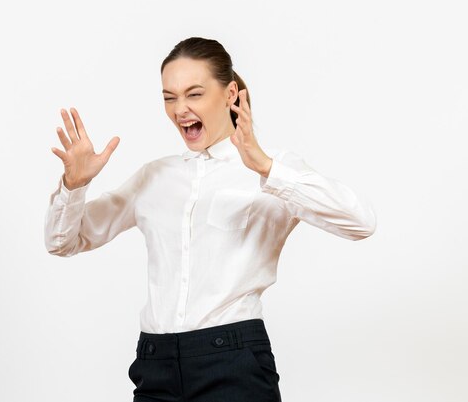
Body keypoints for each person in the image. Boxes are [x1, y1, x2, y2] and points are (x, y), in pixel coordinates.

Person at [44, 36, 376, 402]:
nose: (180, 109)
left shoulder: (272, 168)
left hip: (233, 363)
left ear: (231, 94)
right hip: (155, 365)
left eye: (194, 94)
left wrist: (266, 167)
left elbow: (359, 222)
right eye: (169, 97)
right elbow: (63, 242)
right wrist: (74, 186)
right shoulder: (153, 177)